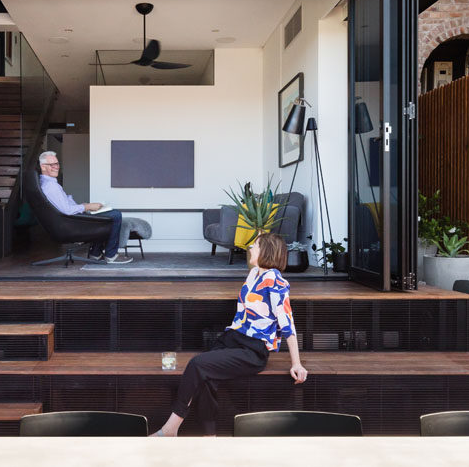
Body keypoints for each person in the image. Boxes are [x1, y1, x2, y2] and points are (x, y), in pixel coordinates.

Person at [150, 231, 307, 436]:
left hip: (252, 350)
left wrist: (296, 363)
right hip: (233, 339)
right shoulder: (254, 274)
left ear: (266, 251)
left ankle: (171, 427)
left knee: (197, 365)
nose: (251, 248)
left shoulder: (275, 281)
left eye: (256, 246)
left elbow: (287, 323)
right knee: (205, 376)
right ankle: (209, 435)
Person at [37, 150, 132, 264]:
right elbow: (66, 211)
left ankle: (95, 253)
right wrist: (86, 206)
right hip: (70, 224)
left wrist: (85, 206)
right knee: (115, 215)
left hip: (69, 221)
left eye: (57, 163)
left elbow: (64, 207)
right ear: (43, 167)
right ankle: (110, 255)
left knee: (106, 215)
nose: (56, 167)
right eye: (52, 164)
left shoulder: (49, 183)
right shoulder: (50, 186)